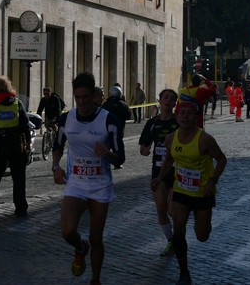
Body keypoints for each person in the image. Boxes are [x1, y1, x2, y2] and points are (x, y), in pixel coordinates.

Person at [52, 72, 125, 285]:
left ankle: (95, 279)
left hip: (100, 184)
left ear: (93, 95)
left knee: (96, 237)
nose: (82, 102)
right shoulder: (67, 119)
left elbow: (120, 158)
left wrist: (108, 154)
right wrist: (56, 167)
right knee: (67, 231)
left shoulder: (108, 120)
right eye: (78, 98)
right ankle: (80, 247)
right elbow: (57, 146)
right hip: (76, 183)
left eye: (85, 97)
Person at [152, 100, 227, 285]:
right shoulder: (171, 138)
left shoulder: (205, 139)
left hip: (203, 194)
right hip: (181, 191)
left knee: (202, 236)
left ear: (196, 117)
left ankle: (205, 225)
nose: (185, 116)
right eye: (182, 113)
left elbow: (222, 160)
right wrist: (160, 178)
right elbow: (169, 160)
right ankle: (184, 272)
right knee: (179, 231)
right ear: (177, 117)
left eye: (189, 113)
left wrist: (212, 180)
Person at [138, 89, 179, 257]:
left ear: (175, 103)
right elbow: (143, 148)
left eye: (172, 99)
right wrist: (145, 150)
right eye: (166, 98)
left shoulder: (179, 121)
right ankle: (172, 241)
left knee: (173, 211)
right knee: (161, 208)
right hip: (158, 173)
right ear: (160, 101)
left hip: (177, 171)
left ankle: (178, 238)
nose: (168, 101)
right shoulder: (152, 123)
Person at [0, 76, 31, 217]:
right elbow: (25, 124)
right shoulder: (16, 103)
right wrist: (27, 143)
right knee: (19, 178)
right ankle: (21, 207)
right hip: (15, 144)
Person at [102, 86, 131, 169]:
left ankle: (103, 162)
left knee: (106, 146)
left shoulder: (106, 104)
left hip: (106, 130)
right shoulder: (123, 105)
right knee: (117, 147)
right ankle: (117, 163)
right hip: (119, 129)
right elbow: (128, 116)